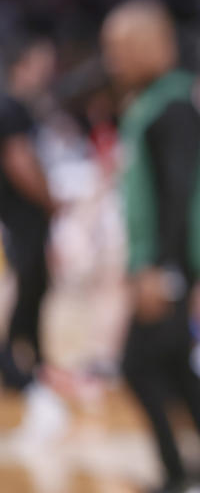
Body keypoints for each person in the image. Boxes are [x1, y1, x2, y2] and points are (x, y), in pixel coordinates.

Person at [101, 0, 200, 493]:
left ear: (151, 46)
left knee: (136, 365)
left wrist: (161, 269)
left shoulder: (175, 103)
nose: (111, 59)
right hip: (163, 262)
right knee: (180, 368)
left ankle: (180, 474)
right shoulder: (153, 101)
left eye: (119, 47)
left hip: (169, 265)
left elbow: (179, 193)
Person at [0, 36, 69, 442]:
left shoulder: (27, 107)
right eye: (42, 61)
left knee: (37, 287)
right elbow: (19, 160)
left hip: (27, 219)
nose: (49, 69)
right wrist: (49, 199)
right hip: (17, 217)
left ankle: (33, 363)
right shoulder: (11, 107)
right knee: (19, 290)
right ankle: (13, 368)